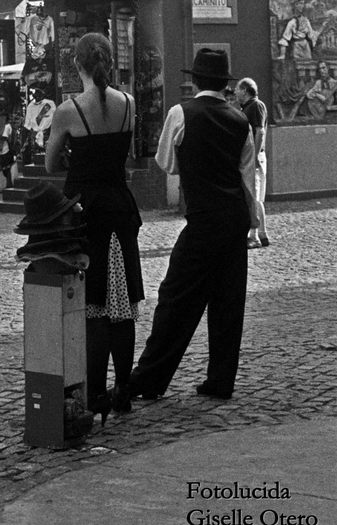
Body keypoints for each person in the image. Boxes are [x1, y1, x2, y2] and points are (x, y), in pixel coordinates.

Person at [128, 49, 258, 403]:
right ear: (224, 84)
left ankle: (150, 378)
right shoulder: (240, 120)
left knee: (175, 297)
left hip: (202, 218)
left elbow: (167, 163)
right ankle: (220, 380)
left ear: (196, 80)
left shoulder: (180, 113)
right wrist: (254, 223)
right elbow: (248, 180)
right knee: (228, 301)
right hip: (233, 218)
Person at [44, 33, 143, 422]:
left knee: (95, 305)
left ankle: (96, 390)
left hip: (87, 212)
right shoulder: (129, 104)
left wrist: (75, 159)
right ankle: (123, 388)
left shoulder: (69, 111)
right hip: (121, 207)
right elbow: (125, 154)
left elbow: (52, 165)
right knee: (124, 303)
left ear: (78, 65)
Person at [234, 77, 270, 249]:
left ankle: (254, 236)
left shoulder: (255, 105)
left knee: (253, 196)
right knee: (256, 198)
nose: (234, 91)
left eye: (237, 89)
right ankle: (262, 235)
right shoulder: (250, 107)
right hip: (254, 156)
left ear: (245, 91)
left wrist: (254, 156)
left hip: (253, 157)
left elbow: (260, 131)